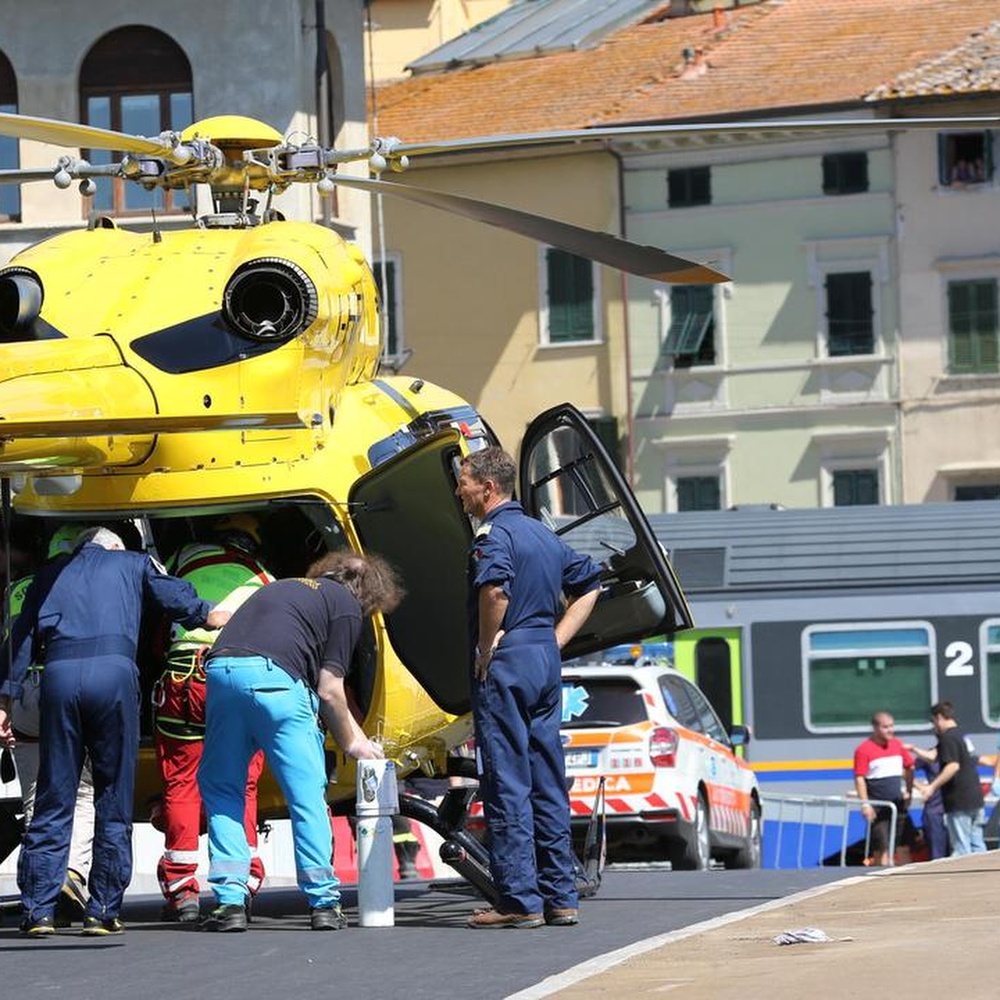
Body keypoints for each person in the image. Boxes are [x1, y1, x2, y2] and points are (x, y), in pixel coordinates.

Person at [0, 527, 229, 937]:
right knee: (111, 790)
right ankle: (102, 910)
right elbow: (175, 599)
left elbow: (21, 639)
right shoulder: (134, 562)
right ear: (115, 546)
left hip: (59, 677)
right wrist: (207, 613)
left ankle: (39, 912)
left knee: (55, 794)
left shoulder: (50, 574)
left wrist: (5, 700)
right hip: (114, 676)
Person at [197, 549, 404, 932]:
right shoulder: (344, 604)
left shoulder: (283, 587)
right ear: (369, 594)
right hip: (277, 683)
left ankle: (229, 903)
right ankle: (323, 902)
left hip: (222, 673)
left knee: (223, 788)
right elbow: (329, 689)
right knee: (305, 794)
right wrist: (354, 741)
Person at [455, 446, 602, 929]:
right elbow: (591, 586)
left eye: (464, 481)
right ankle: (561, 896)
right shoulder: (543, 532)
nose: (460, 490)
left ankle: (519, 900)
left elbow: (494, 590)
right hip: (542, 658)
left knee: (507, 780)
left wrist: (484, 649)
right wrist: (555, 640)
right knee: (545, 778)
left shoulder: (493, 534)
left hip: (509, 660)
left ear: (487, 488)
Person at [152, 515, 274, 922]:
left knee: (182, 783)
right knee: (242, 785)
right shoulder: (263, 579)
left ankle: (183, 890)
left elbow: (156, 622)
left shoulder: (179, 562)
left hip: (182, 680)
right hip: (235, 680)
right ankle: (241, 880)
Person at [6, 524, 97, 925]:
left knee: (35, 795)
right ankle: (73, 875)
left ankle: (39, 883)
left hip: (24, 693)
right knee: (79, 791)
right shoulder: (88, 585)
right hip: (70, 687)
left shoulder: (17, 589)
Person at [915, 701, 985, 857]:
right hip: (975, 797)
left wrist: (931, 787)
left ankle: (963, 880)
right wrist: (913, 749)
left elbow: (952, 766)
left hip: (959, 799)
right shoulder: (961, 735)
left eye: (934, 722)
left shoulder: (947, 738)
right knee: (977, 845)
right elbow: (933, 756)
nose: (934, 727)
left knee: (961, 848)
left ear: (939, 717)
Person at [853, 711, 914, 866]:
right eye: (885, 727)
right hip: (878, 808)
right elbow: (859, 778)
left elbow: (909, 767)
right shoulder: (863, 750)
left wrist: (909, 791)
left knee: (903, 847)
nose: (890, 730)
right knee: (882, 850)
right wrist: (865, 804)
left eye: (891, 726)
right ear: (875, 728)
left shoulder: (897, 744)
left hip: (898, 806)